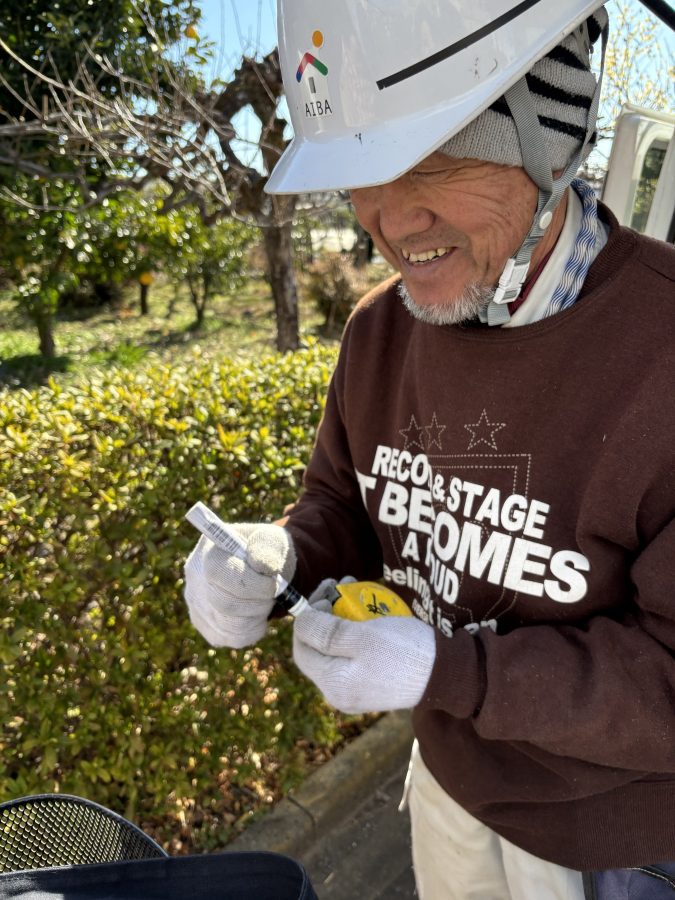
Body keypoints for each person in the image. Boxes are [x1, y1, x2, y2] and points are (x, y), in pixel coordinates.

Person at [184, 1, 675, 897]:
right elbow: (343, 507)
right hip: (449, 785)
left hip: (617, 837)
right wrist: (277, 553)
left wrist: (447, 670)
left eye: (430, 165)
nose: (386, 218)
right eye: (359, 176)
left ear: (549, 141)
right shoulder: (381, 329)